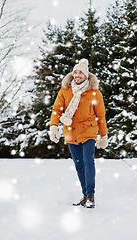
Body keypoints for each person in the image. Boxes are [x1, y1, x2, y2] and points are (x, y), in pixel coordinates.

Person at [49, 58, 108, 208]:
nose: (77, 74)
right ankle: (84, 195)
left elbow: (101, 116)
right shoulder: (65, 90)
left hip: (88, 131)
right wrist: (54, 126)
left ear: (86, 75)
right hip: (71, 132)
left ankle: (91, 195)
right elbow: (57, 109)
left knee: (88, 162)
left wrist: (103, 136)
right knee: (79, 165)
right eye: (75, 72)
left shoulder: (94, 93)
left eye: (80, 72)